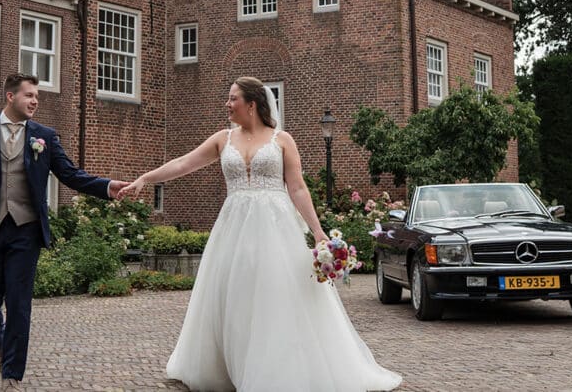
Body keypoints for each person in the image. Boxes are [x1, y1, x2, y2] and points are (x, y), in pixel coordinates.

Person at [118, 76, 402, 391]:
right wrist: (146, 177)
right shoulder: (223, 139)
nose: (227, 104)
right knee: (235, 294)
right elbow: (184, 163)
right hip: (234, 227)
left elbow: (296, 187)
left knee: (276, 293)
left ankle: (276, 367)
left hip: (276, 228)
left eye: (233, 98)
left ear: (252, 104)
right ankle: (233, 365)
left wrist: (318, 232)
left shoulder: (282, 140)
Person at [0, 73, 128, 391]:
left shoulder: (45, 135)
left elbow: (70, 174)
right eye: (29, 95)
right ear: (10, 97)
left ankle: (11, 374)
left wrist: (108, 187)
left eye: (37, 96)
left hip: (26, 232)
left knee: (19, 303)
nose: (35, 101)